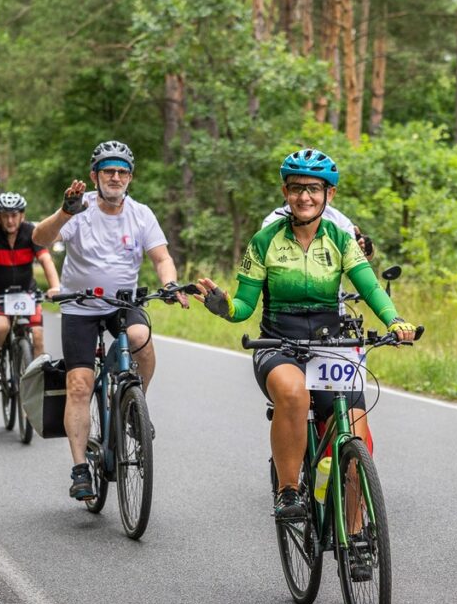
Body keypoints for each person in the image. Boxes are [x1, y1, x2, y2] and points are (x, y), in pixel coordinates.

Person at [195, 148, 417, 521]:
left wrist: (395, 320)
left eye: (314, 189)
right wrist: (224, 306)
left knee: (355, 442)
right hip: (278, 344)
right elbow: (244, 308)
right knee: (294, 394)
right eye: (296, 188)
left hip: (332, 345)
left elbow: (370, 288)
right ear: (285, 192)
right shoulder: (265, 240)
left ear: (329, 194)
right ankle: (288, 491)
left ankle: (358, 534)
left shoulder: (341, 238)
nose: (304, 197)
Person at [32, 139, 188, 501]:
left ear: (130, 177)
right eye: (108, 171)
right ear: (95, 176)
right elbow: (39, 238)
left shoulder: (141, 214)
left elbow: (161, 258)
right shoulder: (78, 209)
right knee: (80, 386)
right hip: (79, 307)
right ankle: (79, 468)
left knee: (141, 339)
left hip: (122, 302)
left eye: (121, 172)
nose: (115, 177)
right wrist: (63, 212)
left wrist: (169, 283)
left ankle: (134, 406)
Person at [0, 192, 60, 378]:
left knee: (37, 334)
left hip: (26, 293)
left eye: (14, 215)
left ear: (22, 215)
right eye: (5, 215)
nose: (10, 220)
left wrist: (55, 287)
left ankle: (36, 380)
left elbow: (46, 260)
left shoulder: (31, 231)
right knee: (0, 327)